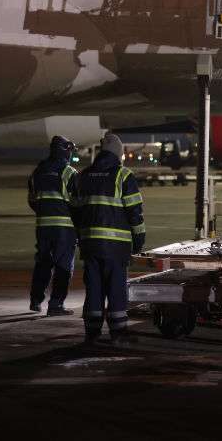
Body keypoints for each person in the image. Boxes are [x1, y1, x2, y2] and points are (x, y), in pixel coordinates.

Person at [72, 132, 145, 345]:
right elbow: (135, 213)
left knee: (93, 289)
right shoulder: (123, 176)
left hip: (90, 245)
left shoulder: (84, 175)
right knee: (115, 289)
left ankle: (92, 333)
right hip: (116, 246)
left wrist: (82, 236)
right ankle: (118, 333)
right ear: (118, 154)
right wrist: (139, 240)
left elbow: (75, 210)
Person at [27, 135, 79, 315]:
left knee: (42, 263)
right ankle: (56, 304)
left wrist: (45, 213)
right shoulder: (69, 172)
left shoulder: (38, 172)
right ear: (65, 151)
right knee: (63, 266)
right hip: (64, 229)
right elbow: (78, 202)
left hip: (42, 227)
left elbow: (32, 200)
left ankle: (35, 300)